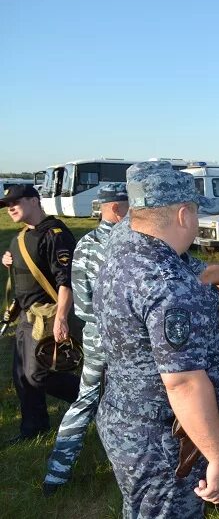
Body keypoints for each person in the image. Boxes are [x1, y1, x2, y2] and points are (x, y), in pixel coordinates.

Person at [93, 165, 219, 517]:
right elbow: (184, 383)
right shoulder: (168, 285)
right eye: (197, 210)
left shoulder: (127, 239)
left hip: (126, 419)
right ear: (184, 213)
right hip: (164, 439)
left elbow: (200, 273)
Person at [41, 183, 129, 496]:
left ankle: (57, 473)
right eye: (128, 204)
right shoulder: (133, 241)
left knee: (85, 400)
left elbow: (82, 304)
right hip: (129, 345)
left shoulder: (86, 243)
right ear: (117, 208)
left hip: (94, 341)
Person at [1, 184, 80, 445]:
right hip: (26, 318)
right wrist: (9, 261)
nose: (10, 207)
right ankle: (33, 428)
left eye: (16, 201)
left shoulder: (56, 234)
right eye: (7, 204)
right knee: (22, 376)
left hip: (48, 317)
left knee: (40, 375)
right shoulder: (22, 237)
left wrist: (61, 319)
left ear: (35, 201)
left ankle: (95, 400)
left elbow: (66, 280)